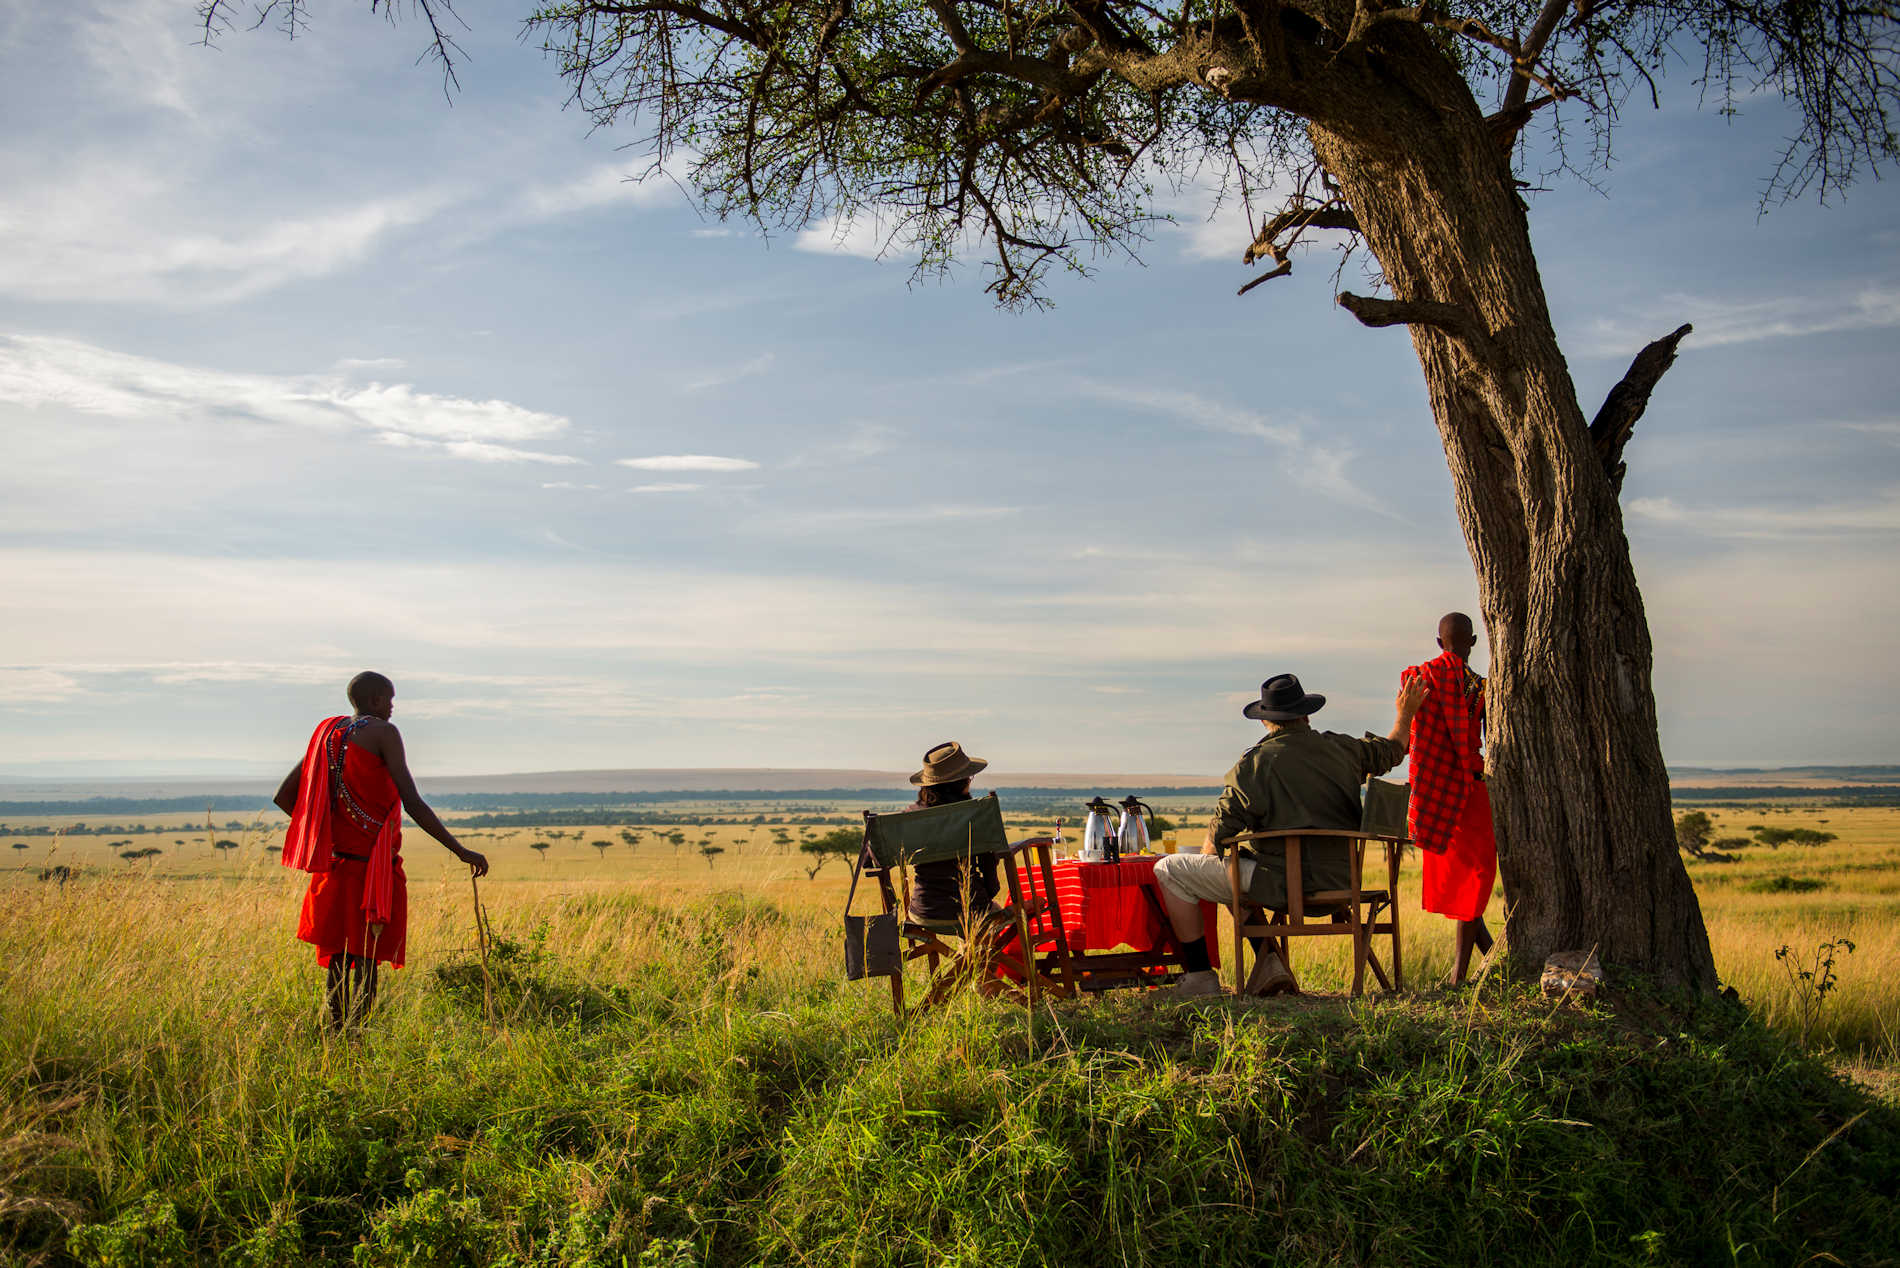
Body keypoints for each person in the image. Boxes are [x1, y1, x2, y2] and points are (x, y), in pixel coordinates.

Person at [1154, 672, 1427, 997]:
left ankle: (1201, 976)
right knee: (1237, 869)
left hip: (1277, 887)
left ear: (1265, 720)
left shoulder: (1252, 766)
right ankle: (1269, 961)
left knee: (1170, 870)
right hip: (1343, 883)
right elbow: (1395, 749)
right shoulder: (1345, 749)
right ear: (1306, 714)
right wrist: (1405, 713)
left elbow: (1216, 842)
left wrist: (1213, 868)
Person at [273, 671, 488, 1031]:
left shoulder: (328, 733)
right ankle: (356, 1041)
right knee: (367, 963)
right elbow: (412, 802)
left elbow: (285, 797)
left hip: (334, 868)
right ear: (375, 700)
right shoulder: (385, 733)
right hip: (371, 870)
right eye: (389, 699)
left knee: (340, 964)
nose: (392, 707)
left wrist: (329, 824)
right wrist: (460, 850)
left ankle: (336, 1038)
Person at [1404, 612, 1499, 984]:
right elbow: (1494, 738)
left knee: (1465, 883)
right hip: (1473, 789)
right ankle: (1469, 968)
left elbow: (1409, 726)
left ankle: (1462, 972)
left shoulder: (1421, 679)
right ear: (1472, 642)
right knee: (1471, 880)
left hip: (1437, 790)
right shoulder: (1483, 688)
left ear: (1438, 642)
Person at [903, 741, 1003, 926]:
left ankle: (965, 954)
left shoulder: (910, 817)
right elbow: (990, 870)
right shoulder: (974, 815)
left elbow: (872, 860)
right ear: (961, 782)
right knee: (997, 913)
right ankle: (970, 955)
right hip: (972, 909)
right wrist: (988, 892)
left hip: (923, 912)